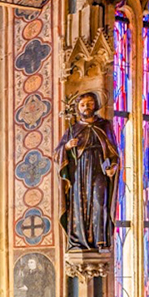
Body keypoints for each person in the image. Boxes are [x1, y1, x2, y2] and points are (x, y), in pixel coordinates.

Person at [56, 91, 121, 253]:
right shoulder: (74, 128)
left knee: (100, 202)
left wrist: (112, 166)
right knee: (79, 204)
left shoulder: (104, 126)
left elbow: (113, 152)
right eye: (83, 104)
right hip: (79, 172)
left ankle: (100, 239)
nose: (86, 107)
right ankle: (79, 240)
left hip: (99, 168)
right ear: (78, 108)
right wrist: (67, 146)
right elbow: (57, 154)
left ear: (96, 104)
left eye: (90, 103)